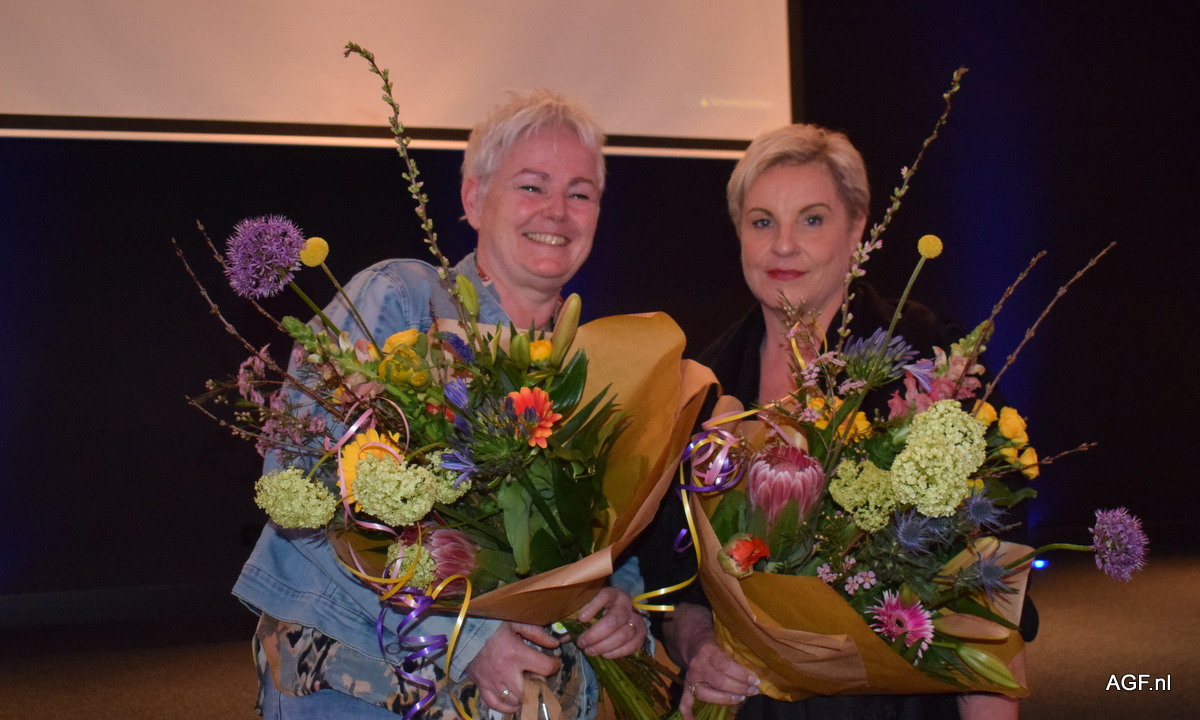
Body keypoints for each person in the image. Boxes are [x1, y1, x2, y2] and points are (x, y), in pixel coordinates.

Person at [234, 89, 646, 719]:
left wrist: (620, 601)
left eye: (580, 193)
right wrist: (464, 634)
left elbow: (602, 531)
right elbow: (300, 485)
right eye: (531, 187)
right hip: (362, 683)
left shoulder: (588, 367)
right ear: (474, 199)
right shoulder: (401, 300)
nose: (557, 212)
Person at [642, 124, 1027, 720]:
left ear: (857, 231)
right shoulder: (702, 384)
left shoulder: (933, 362)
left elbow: (989, 587)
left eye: (812, 219)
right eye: (762, 221)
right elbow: (677, 584)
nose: (783, 246)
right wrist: (700, 651)